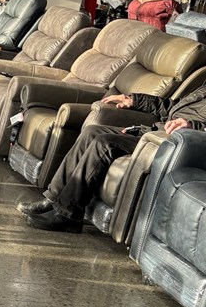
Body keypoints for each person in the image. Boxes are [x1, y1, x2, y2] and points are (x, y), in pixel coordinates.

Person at [20, 85, 206, 232]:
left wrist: (192, 125)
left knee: (105, 142)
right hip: (156, 131)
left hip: (175, 142)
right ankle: (53, 199)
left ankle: (68, 215)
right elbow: (171, 106)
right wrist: (133, 100)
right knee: (91, 131)